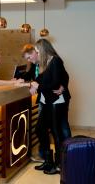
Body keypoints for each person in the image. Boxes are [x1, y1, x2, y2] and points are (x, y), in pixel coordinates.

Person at [30, 39, 72, 175]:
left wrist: (39, 86)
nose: (36, 53)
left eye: (37, 50)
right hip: (49, 101)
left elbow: (55, 83)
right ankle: (48, 161)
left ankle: (59, 165)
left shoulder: (55, 61)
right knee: (40, 129)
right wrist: (34, 82)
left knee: (56, 132)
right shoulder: (47, 62)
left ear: (43, 49)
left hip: (57, 102)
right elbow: (43, 78)